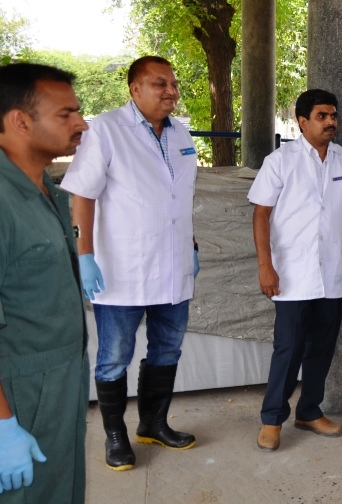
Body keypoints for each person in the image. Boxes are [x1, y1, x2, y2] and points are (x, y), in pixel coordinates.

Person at [61, 55, 200, 471]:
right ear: (134, 88)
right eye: (160, 84)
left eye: (173, 83)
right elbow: (82, 196)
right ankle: (116, 436)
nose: (171, 91)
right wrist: (83, 256)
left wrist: (190, 246)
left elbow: (180, 199)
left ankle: (153, 424)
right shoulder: (104, 131)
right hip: (121, 268)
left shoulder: (181, 134)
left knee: (168, 348)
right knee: (114, 355)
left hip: (174, 265)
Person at [249, 89, 342, 452]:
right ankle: (272, 419)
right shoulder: (281, 161)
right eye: (322, 116)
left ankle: (309, 410)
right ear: (302, 121)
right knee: (288, 349)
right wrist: (265, 266)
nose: (330, 122)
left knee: (322, 347)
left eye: (333, 115)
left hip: (333, 273)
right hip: (291, 273)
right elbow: (261, 213)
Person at [0, 63, 90, 502]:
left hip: (61, 380)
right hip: (18, 392)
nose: (81, 123)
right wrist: (2, 426)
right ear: (19, 121)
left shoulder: (49, 192)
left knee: (61, 488)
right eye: (65, 114)